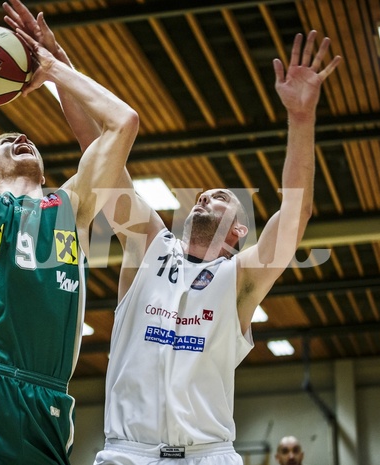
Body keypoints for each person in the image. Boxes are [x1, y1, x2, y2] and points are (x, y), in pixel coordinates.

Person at [93, 31, 342, 465]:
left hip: (208, 454)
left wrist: (301, 119)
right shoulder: (148, 247)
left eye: (222, 196)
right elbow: (105, 160)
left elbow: (296, 214)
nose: (206, 196)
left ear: (239, 232)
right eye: (202, 195)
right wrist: (59, 75)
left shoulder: (241, 279)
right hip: (128, 453)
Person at [0, 2, 139, 463]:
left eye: (27, 139)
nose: (21, 139)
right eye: (5, 141)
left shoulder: (73, 207)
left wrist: (55, 66)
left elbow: (124, 122)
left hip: (48, 399)